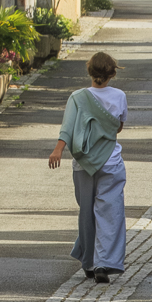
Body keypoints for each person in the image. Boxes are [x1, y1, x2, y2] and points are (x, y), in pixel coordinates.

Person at [48, 51, 127, 284]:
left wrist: (58, 150)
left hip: (83, 163)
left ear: (89, 72)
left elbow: (68, 128)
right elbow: (118, 127)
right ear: (112, 73)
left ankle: (89, 262)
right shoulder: (120, 96)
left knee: (87, 212)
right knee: (109, 213)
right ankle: (105, 262)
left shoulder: (77, 97)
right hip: (111, 161)